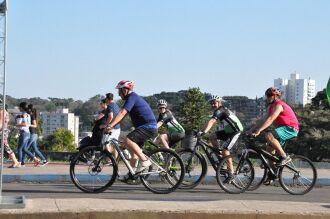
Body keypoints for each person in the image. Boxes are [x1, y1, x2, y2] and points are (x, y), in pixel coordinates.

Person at [248, 87, 299, 184]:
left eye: (270, 95)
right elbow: (263, 120)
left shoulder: (279, 105)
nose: (268, 97)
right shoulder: (270, 107)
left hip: (290, 128)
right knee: (269, 152)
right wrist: (251, 130)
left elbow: (271, 119)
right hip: (281, 129)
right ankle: (273, 174)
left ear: (276, 96)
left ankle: (284, 157)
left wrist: (258, 130)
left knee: (269, 135)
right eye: (267, 95)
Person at [107, 80, 158, 178]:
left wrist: (111, 125)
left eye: (119, 91)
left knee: (127, 139)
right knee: (133, 151)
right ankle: (132, 173)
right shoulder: (131, 99)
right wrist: (113, 124)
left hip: (148, 127)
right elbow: (121, 116)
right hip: (146, 127)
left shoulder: (132, 97)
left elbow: (122, 113)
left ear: (125, 90)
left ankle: (145, 161)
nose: (118, 93)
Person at [198, 95, 244, 183]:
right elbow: (209, 121)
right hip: (228, 131)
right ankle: (220, 157)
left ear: (220, 103)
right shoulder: (218, 111)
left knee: (225, 150)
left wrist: (203, 132)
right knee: (212, 136)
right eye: (211, 103)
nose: (213, 105)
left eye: (214, 103)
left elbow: (212, 121)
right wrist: (200, 130)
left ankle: (231, 173)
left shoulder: (221, 109)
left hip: (236, 131)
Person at [16, 102, 40, 167]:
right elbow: (27, 124)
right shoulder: (28, 115)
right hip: (28, 133)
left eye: (19, 107)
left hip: (23, 133)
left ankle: (20, 163)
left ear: (21, 108)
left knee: (20, 149)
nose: (18, 108)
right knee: (24, 149)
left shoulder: (22, 115)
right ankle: (35, 159)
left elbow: (24, 124)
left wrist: (17, 125)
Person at [0, 102, 20, 168]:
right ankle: (15, 161)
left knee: (6, 146)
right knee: (5, 146)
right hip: (5, 130)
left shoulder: (2, 111)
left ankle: (16, 161)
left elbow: (0, 123)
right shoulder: (5, 112)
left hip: (2, 131)